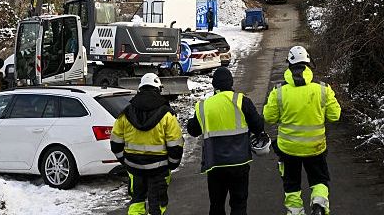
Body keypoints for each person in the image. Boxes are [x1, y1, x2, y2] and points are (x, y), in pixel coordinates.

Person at [263, 46, 341, 215]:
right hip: (316, 147)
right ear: (308, 64)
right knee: (319, 179)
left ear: (289, 64)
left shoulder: (279, 92)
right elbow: (335, 116)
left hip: (288, 149)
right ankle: (319, 205)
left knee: (291, 184)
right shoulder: (323, 89)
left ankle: (295, 212)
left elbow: (269, 117)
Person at [186, 67, 268, 215]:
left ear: (214, 85)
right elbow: (258, 126)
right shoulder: (242, 101)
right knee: (239, 204)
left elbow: (193, 130)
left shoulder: (204, 106)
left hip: (215, 164)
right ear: (231, 83)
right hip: (239, 163)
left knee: (216, 205)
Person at [111, 73, 184, 215]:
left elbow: (115, 142)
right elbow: (175, 144)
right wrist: (172, 164)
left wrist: (125, 161)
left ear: (140, 88)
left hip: (134, 167)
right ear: (158, 89)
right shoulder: (167, 114)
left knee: (137, 201)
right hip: (159, 169)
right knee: (157, 205)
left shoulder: (125, 113)